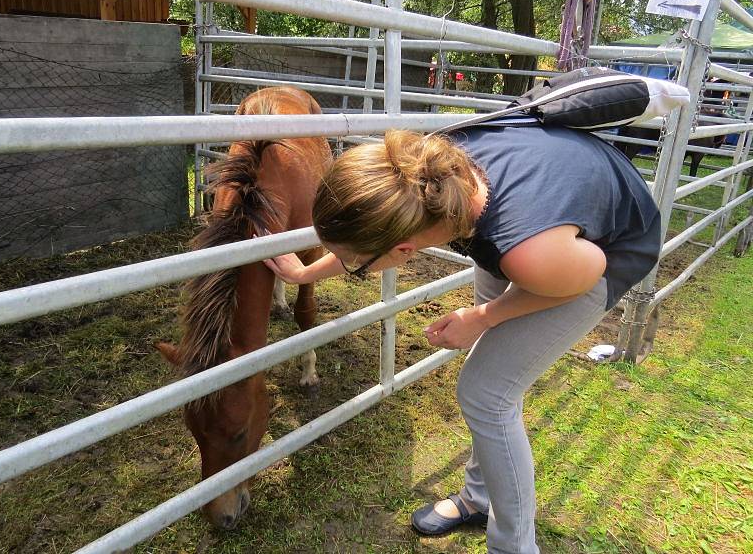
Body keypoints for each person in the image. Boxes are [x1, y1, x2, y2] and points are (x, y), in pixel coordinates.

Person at [263, 122, 661, 554]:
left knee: (485, 393)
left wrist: (486, 316)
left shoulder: (526, 252)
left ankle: (515, 548)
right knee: (495, 378)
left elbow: (579, 278)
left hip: (599, 255)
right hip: (536, 229)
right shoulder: (433, 179)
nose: (346, 264)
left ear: (404, 253)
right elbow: (375, 242)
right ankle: (478, 498)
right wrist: (304, 273)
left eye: (351, 263)